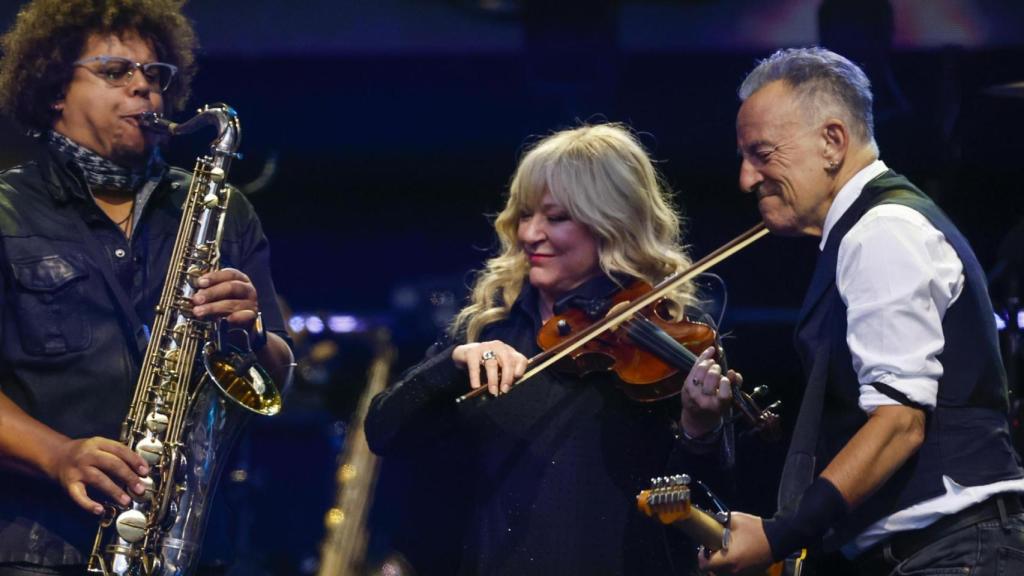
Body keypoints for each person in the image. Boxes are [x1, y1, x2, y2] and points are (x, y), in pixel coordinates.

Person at [365, 123, 742, 575]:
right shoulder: (490, 327)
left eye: (556, 218)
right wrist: (454, 363)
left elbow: (703, 506)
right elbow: (383, 432)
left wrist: (701, 431)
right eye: (525, 215)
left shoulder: (660, 342)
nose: (530, 234)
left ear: (611, 222)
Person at [702, 47, 1024, 575]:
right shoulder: (865, 231)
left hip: (955, 551)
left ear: (832, 141)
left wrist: (781, 534)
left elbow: (899, 422)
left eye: (761, 153)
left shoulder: (882, 232)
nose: (745, 178)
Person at [0, 1, 293, 574]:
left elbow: (278, 373)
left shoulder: (222, 211)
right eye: (115, 72)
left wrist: (253, 333)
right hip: (38, 549)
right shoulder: (6, 212)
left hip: (190, 551)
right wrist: (58, 455)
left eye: (156, 76)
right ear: (55, 88)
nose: (144, 90)